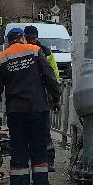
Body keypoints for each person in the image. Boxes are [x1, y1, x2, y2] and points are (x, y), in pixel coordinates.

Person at [0, 27, 60, 185]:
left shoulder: (0, 59)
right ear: (22, 38)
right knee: (39, 153)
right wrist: (56, 98)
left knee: (18, 153)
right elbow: (50, 77)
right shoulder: (35, 51)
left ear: (8, 41)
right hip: (37, 110)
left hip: (15, 112)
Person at [23, 24, 59, 171]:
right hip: (29, 97)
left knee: (44, 131)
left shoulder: (44, 51)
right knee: (31, 130)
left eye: (33, 38)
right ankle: (35, 159)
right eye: (29, 38)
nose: (31, 40)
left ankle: (48, 160)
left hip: (42, 97)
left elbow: (53, 74)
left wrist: (54, 96)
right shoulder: (23, 51)